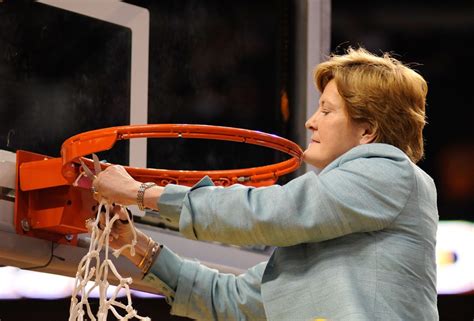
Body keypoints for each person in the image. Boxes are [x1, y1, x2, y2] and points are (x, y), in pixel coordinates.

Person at [92, 47, 439, 321]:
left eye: (327, 111)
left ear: (368, 131)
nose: (310, 122)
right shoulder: (322, 239)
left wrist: (142, 193)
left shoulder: (391, 172)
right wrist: (136, 244)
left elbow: (272, 212)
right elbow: (229, 300)